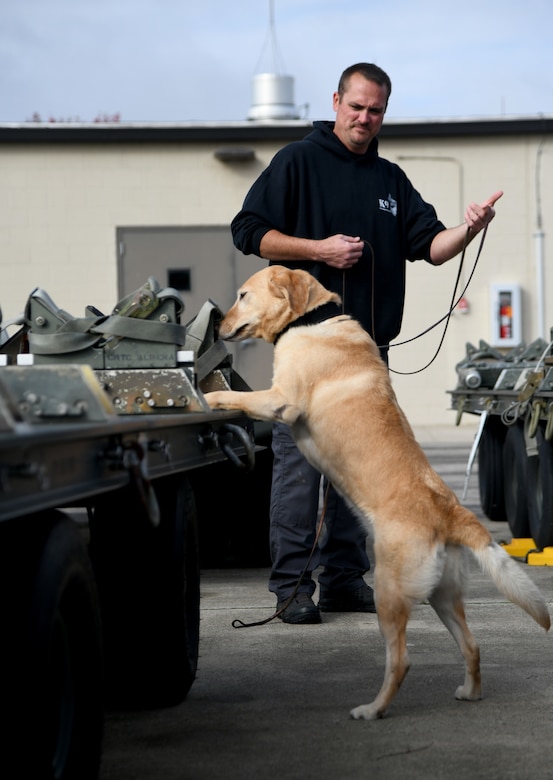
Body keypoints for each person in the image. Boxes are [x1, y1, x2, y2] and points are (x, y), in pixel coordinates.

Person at [231, 62, 503, 625]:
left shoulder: (390, 181)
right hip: (308, 349)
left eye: (375, 110)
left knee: (362, 469)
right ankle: (290, 588)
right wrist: (318, 250)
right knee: (299, 471)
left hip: (366, 351)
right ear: (336, 101)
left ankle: (343, 581)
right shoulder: (296, 162)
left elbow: (432, 246)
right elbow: (249, 230)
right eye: (356, 106)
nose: (364, 118)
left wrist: (469, 227)